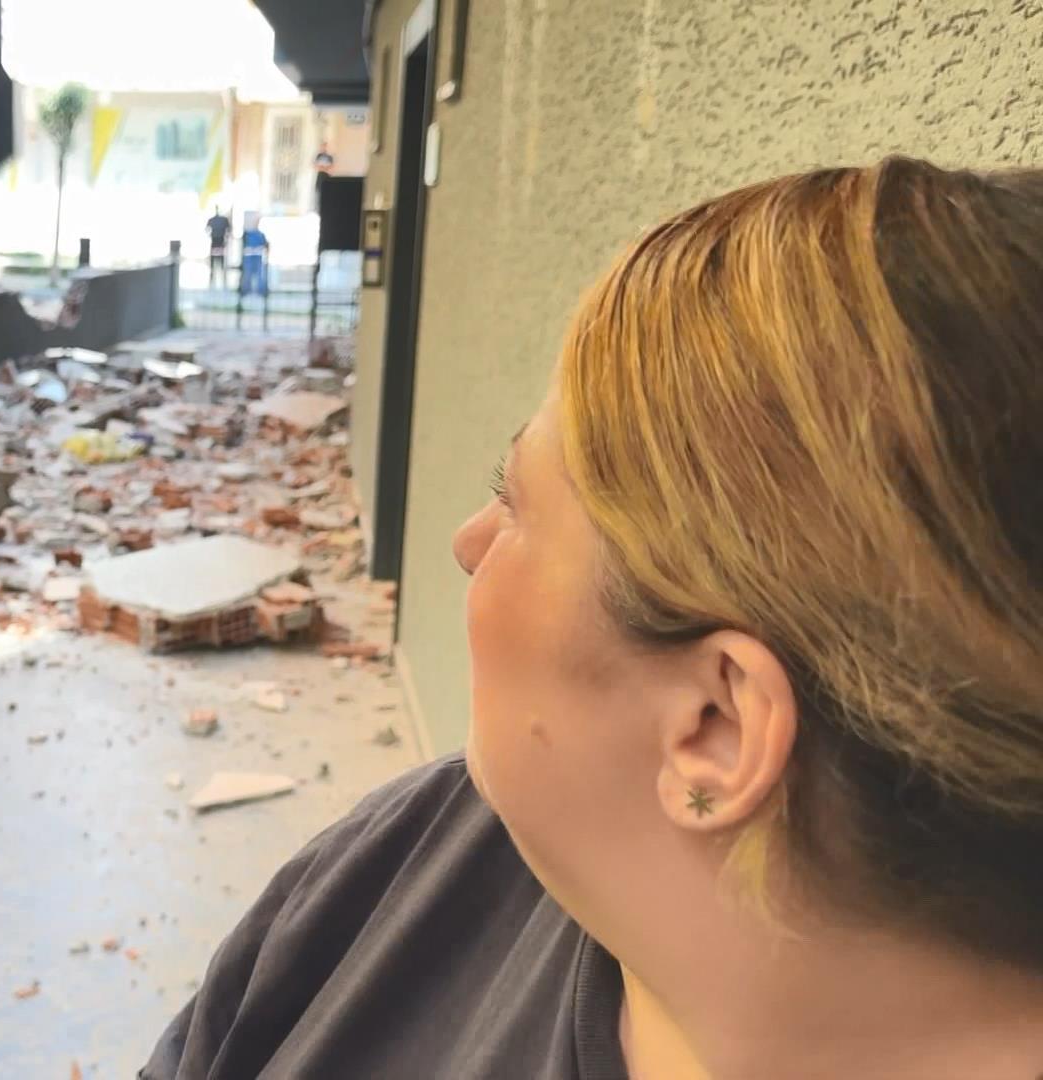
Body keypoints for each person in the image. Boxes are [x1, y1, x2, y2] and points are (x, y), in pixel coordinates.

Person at [142, 158, 1043, 1079]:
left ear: (716, 728)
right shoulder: (410, 863)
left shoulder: (416, 896)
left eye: (515, 500)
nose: (468, 543)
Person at [237, 219, 270, 298]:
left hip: (256, 257)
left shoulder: (260, 234)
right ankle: (246, 291)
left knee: (257, 274)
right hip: (250, 256)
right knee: (248, 274)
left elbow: (265, 245)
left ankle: (259, 291)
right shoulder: (247, 234)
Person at [205, 208, 232, 289]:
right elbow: (229, 229)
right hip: (220, 242)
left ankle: (214, 278)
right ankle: (219, 278)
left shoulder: (213, 220)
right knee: (220, 262)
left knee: (215, 261)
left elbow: (207, 229)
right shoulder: (223, 220)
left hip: (216, 242)